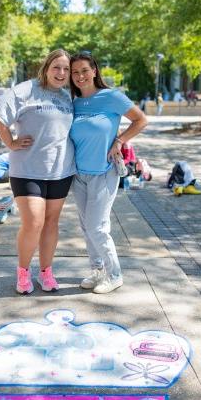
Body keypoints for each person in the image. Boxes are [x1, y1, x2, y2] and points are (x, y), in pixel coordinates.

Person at [0, 49, 75, 295]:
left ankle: (46, 272)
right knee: (34, 222)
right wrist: (10, 142)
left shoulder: (68, 97)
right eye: (56, 67)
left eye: (66, 69)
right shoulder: (26, 89)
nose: (61, 73)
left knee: (51, 222)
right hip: (27, 169)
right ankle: (23, 272)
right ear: (46, 67)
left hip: (60, 169)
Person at [69, 51, 148, 294]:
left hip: (104, 172)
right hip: (78, 175)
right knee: (86, 226)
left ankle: (114, 275)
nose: (80, 76)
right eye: (75, 72)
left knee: (97, 227)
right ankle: (98, 270)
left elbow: (141, 120)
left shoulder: (112, 97)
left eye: (84, 70)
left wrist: (120, 141)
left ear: (94, 71)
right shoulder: (74, 102)